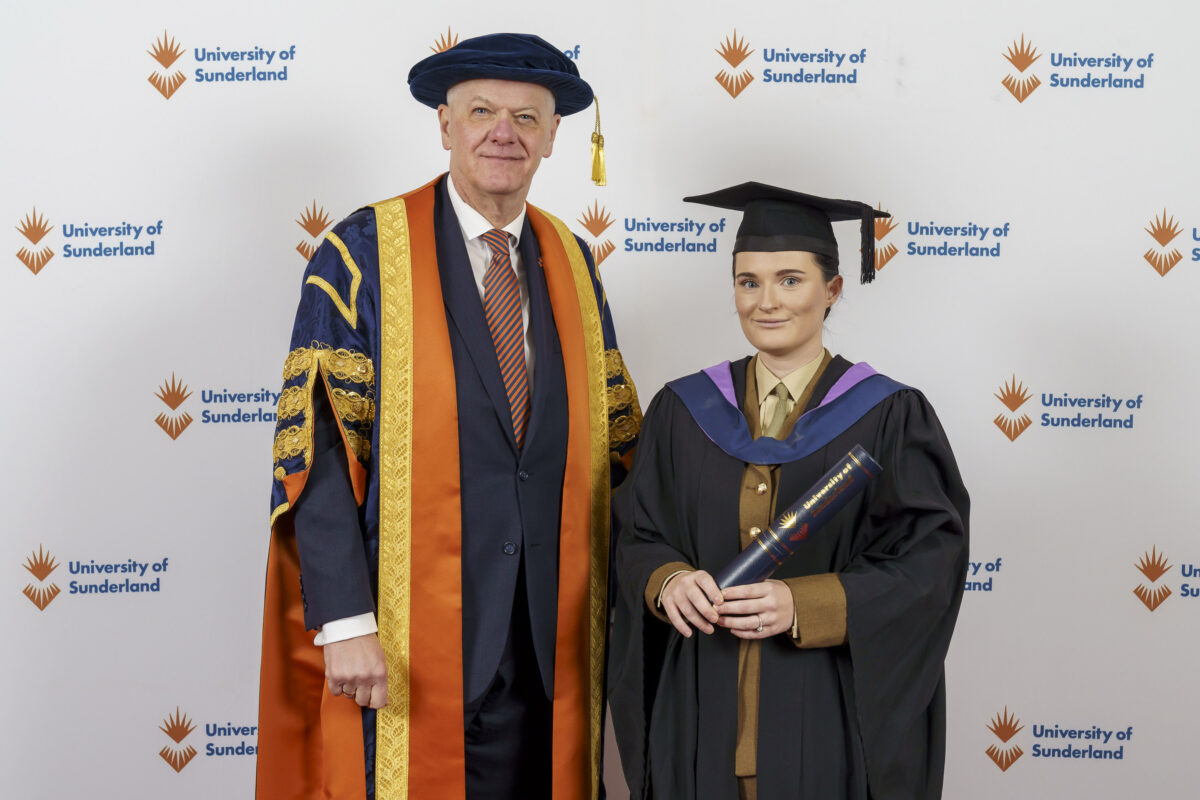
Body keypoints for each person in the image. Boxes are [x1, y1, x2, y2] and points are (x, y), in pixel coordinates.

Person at [256, 33, 640, 800]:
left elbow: (612, 441)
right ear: (444, 123)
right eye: (482, 111)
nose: (505, 132)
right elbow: (322, 445)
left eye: (527, 118)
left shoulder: (571, 257)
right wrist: (344, 622)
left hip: (552, 638)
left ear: (555, 136)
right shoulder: (365, 250)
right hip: (409, 639)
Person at [607, 182, 968, 800]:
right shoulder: (683, 409)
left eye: (790, 280)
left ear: (832, 291)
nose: (766, 301)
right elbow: (636, 532)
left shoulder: (889, 415)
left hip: (827, 715)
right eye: (748, 282)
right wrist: (667, 579)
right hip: (702, 709)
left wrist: (809, 604)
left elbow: (930, 563)